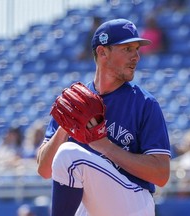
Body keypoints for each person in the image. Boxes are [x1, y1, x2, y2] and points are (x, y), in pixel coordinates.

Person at [37, 18, 171, 216]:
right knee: (67, 158)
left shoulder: (144, 103)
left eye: (136, 49)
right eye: (127, 49)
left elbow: (161, 174)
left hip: (133, 203)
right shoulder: (73, 102)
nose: (136, 56)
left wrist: (106, 147)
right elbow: (44, 170)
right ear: (102, 52)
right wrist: (65, 127)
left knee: (69, 155)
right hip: (92, 206)